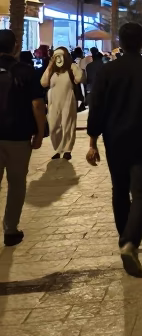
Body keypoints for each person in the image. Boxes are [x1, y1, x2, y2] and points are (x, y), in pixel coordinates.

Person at [86, 22, 142, 277]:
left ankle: (123, 237)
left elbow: (97, 107)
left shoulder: (107, 71)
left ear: (121, 43)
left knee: (119, 189)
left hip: (115, 139)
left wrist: (92, 141)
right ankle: (130, 241)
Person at [0, 28, 47, 247]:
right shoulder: (27, 72)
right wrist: (40, 132)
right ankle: (10, 229)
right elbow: (37, 105)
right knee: (16, 183)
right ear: (16, 46)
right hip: (18, 136)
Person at [40, 47, 84, 160]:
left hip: (68, 100)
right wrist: (50, 66)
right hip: (53, 102)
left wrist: (73, 66)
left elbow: (79, 78)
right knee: (54, 127)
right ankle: (58, 148)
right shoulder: (52, 70)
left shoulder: (71, 68)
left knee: (68, 125)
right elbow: (43, 83)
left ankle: (67, 150)